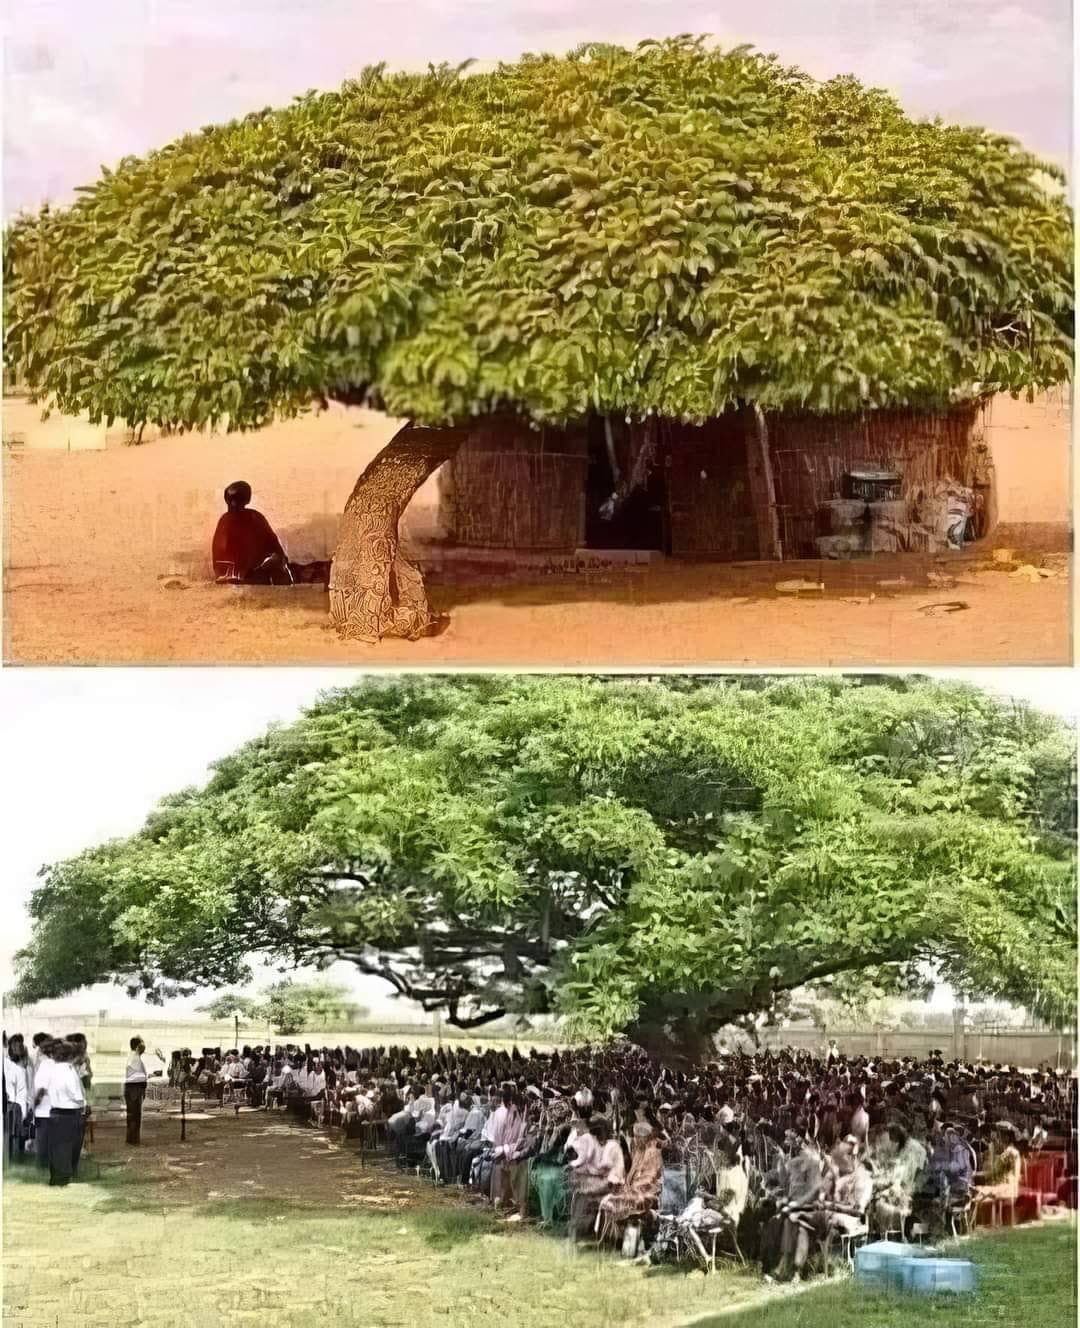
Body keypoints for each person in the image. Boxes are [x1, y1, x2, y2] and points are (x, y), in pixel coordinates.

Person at [211, 482, 292, 585]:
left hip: (251, 574)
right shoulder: (252, 517)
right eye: (232, 500)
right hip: (245, 576)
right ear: (248, 499)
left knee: (277, 563)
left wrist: (278, 559)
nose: (233, 504)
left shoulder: (253, 518)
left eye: (236, 500)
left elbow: (275, 548)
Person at [36, 1041, 86, 1186]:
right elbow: (77, 1095)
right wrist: (84, 1103)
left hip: (54, 1112)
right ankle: (63, 1179)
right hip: (69, 1113)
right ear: (69, 1056)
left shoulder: (52, 1070)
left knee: (56, 1148)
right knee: (67, 1148)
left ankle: (55, 1178)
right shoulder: (69, 1071)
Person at [124, 1036, 162, 1146]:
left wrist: (149, 1075)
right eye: (142, 1044)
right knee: (135, 1116)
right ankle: (134, 1140)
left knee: (132, 1116)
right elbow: (137, 1077)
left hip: (133, 1088)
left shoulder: (133, 1057)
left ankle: (131, 1139)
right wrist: (147, 1077)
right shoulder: (135, 1058)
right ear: (137, 1046)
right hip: (135, 1089)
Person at [4, 1036, 31, 1164]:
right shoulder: (20, 1070)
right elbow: (22, 1094)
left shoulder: (13, 1069)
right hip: (15, 1107)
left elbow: (20, 1094)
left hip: (13, 1107)